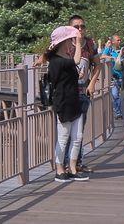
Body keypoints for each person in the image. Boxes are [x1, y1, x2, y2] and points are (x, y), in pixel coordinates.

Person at [44, 25, 89, 183]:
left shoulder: (65, 61)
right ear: (63, 42)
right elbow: (77, 60)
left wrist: (79, 74)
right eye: (70, 40)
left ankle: (73, 168)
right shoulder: (56, 61)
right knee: (63, 137)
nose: (72, 43)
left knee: (77, 137)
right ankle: (59, 169)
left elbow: (70, 76)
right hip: (63, 102)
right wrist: (78, 42)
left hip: (74, 100)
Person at [63, 15, 101, 173]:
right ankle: (65, 164)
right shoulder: (64, 44)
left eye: (82, 26)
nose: (80, 29)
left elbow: (97, 64)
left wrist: (92, 82)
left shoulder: (90, 44)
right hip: (67, 91)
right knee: (67, 130)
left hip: (83, 90)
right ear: (70, 28)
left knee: (79, 130)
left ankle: (77, 163)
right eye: (76, 27)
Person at [100, 33, 123, 119]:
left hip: (122, 76)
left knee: (123, 96)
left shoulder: (121, 50)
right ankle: (118, 112)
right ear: (113, 41)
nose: (119, 41)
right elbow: (102, 56)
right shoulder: (110, 51)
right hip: (114, 78)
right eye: (118, 40)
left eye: (120, 40)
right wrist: (112, 57)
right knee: (115, 95)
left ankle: (122, 111)